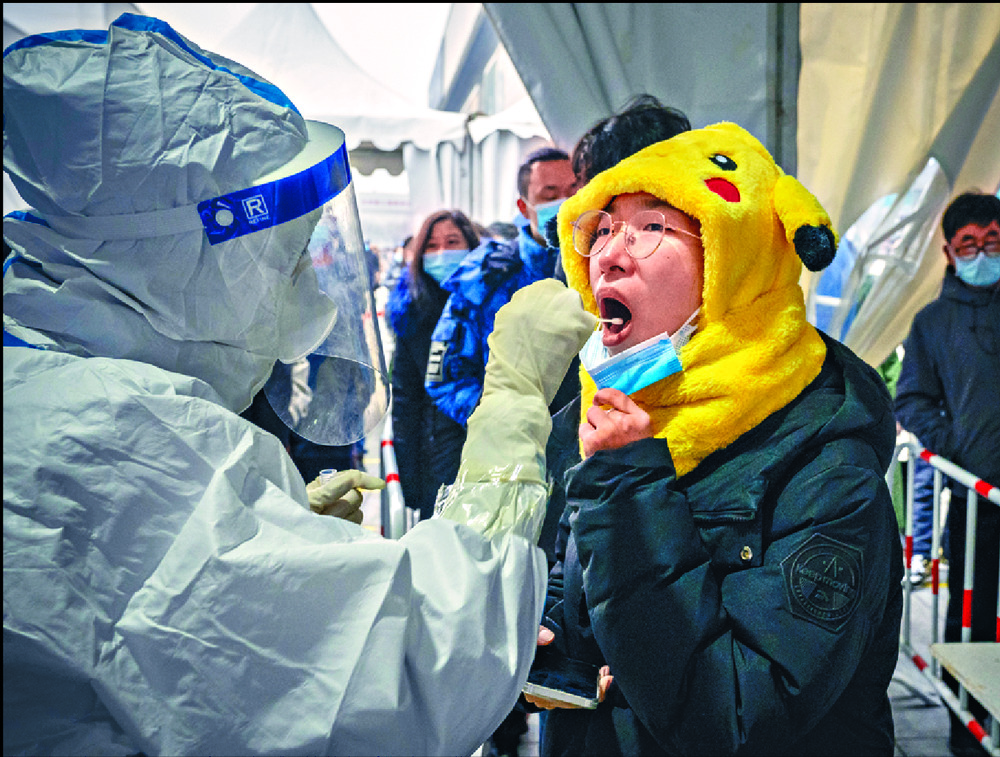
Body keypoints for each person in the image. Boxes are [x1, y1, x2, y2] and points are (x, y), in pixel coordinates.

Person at [3, 15, 553, 756]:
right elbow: (412, 672)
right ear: (182, 259)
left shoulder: (52, 378)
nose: (307, 296)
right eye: (284, 260)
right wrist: (513, 412)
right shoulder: (109, 429)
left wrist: (271, 523)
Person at [515, 118, 903, 755]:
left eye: (652, 227)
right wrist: (550, 627)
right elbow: (581, 570)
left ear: (736, 261)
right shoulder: (621, 412)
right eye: (605, 228)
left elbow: (739, 719)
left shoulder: (829, 469)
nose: (609, 253)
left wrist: (629, 490)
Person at [894, 190, 999, 757]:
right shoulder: (932, 322)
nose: (981, 253)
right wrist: (957, 448)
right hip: (978, 498)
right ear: (949, 253)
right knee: (971, 612)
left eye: (992, 241)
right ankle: (968, 732)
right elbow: (910, 400)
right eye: (969, 245)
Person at [386, 209, 480, 520]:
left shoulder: (490, 302)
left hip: (488, 442)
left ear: (471, 245)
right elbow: (405, 398)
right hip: (437, 452)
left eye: (453, 241)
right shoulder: (410, 312)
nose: (442, 253)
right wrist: (409, 477)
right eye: (432, 245)